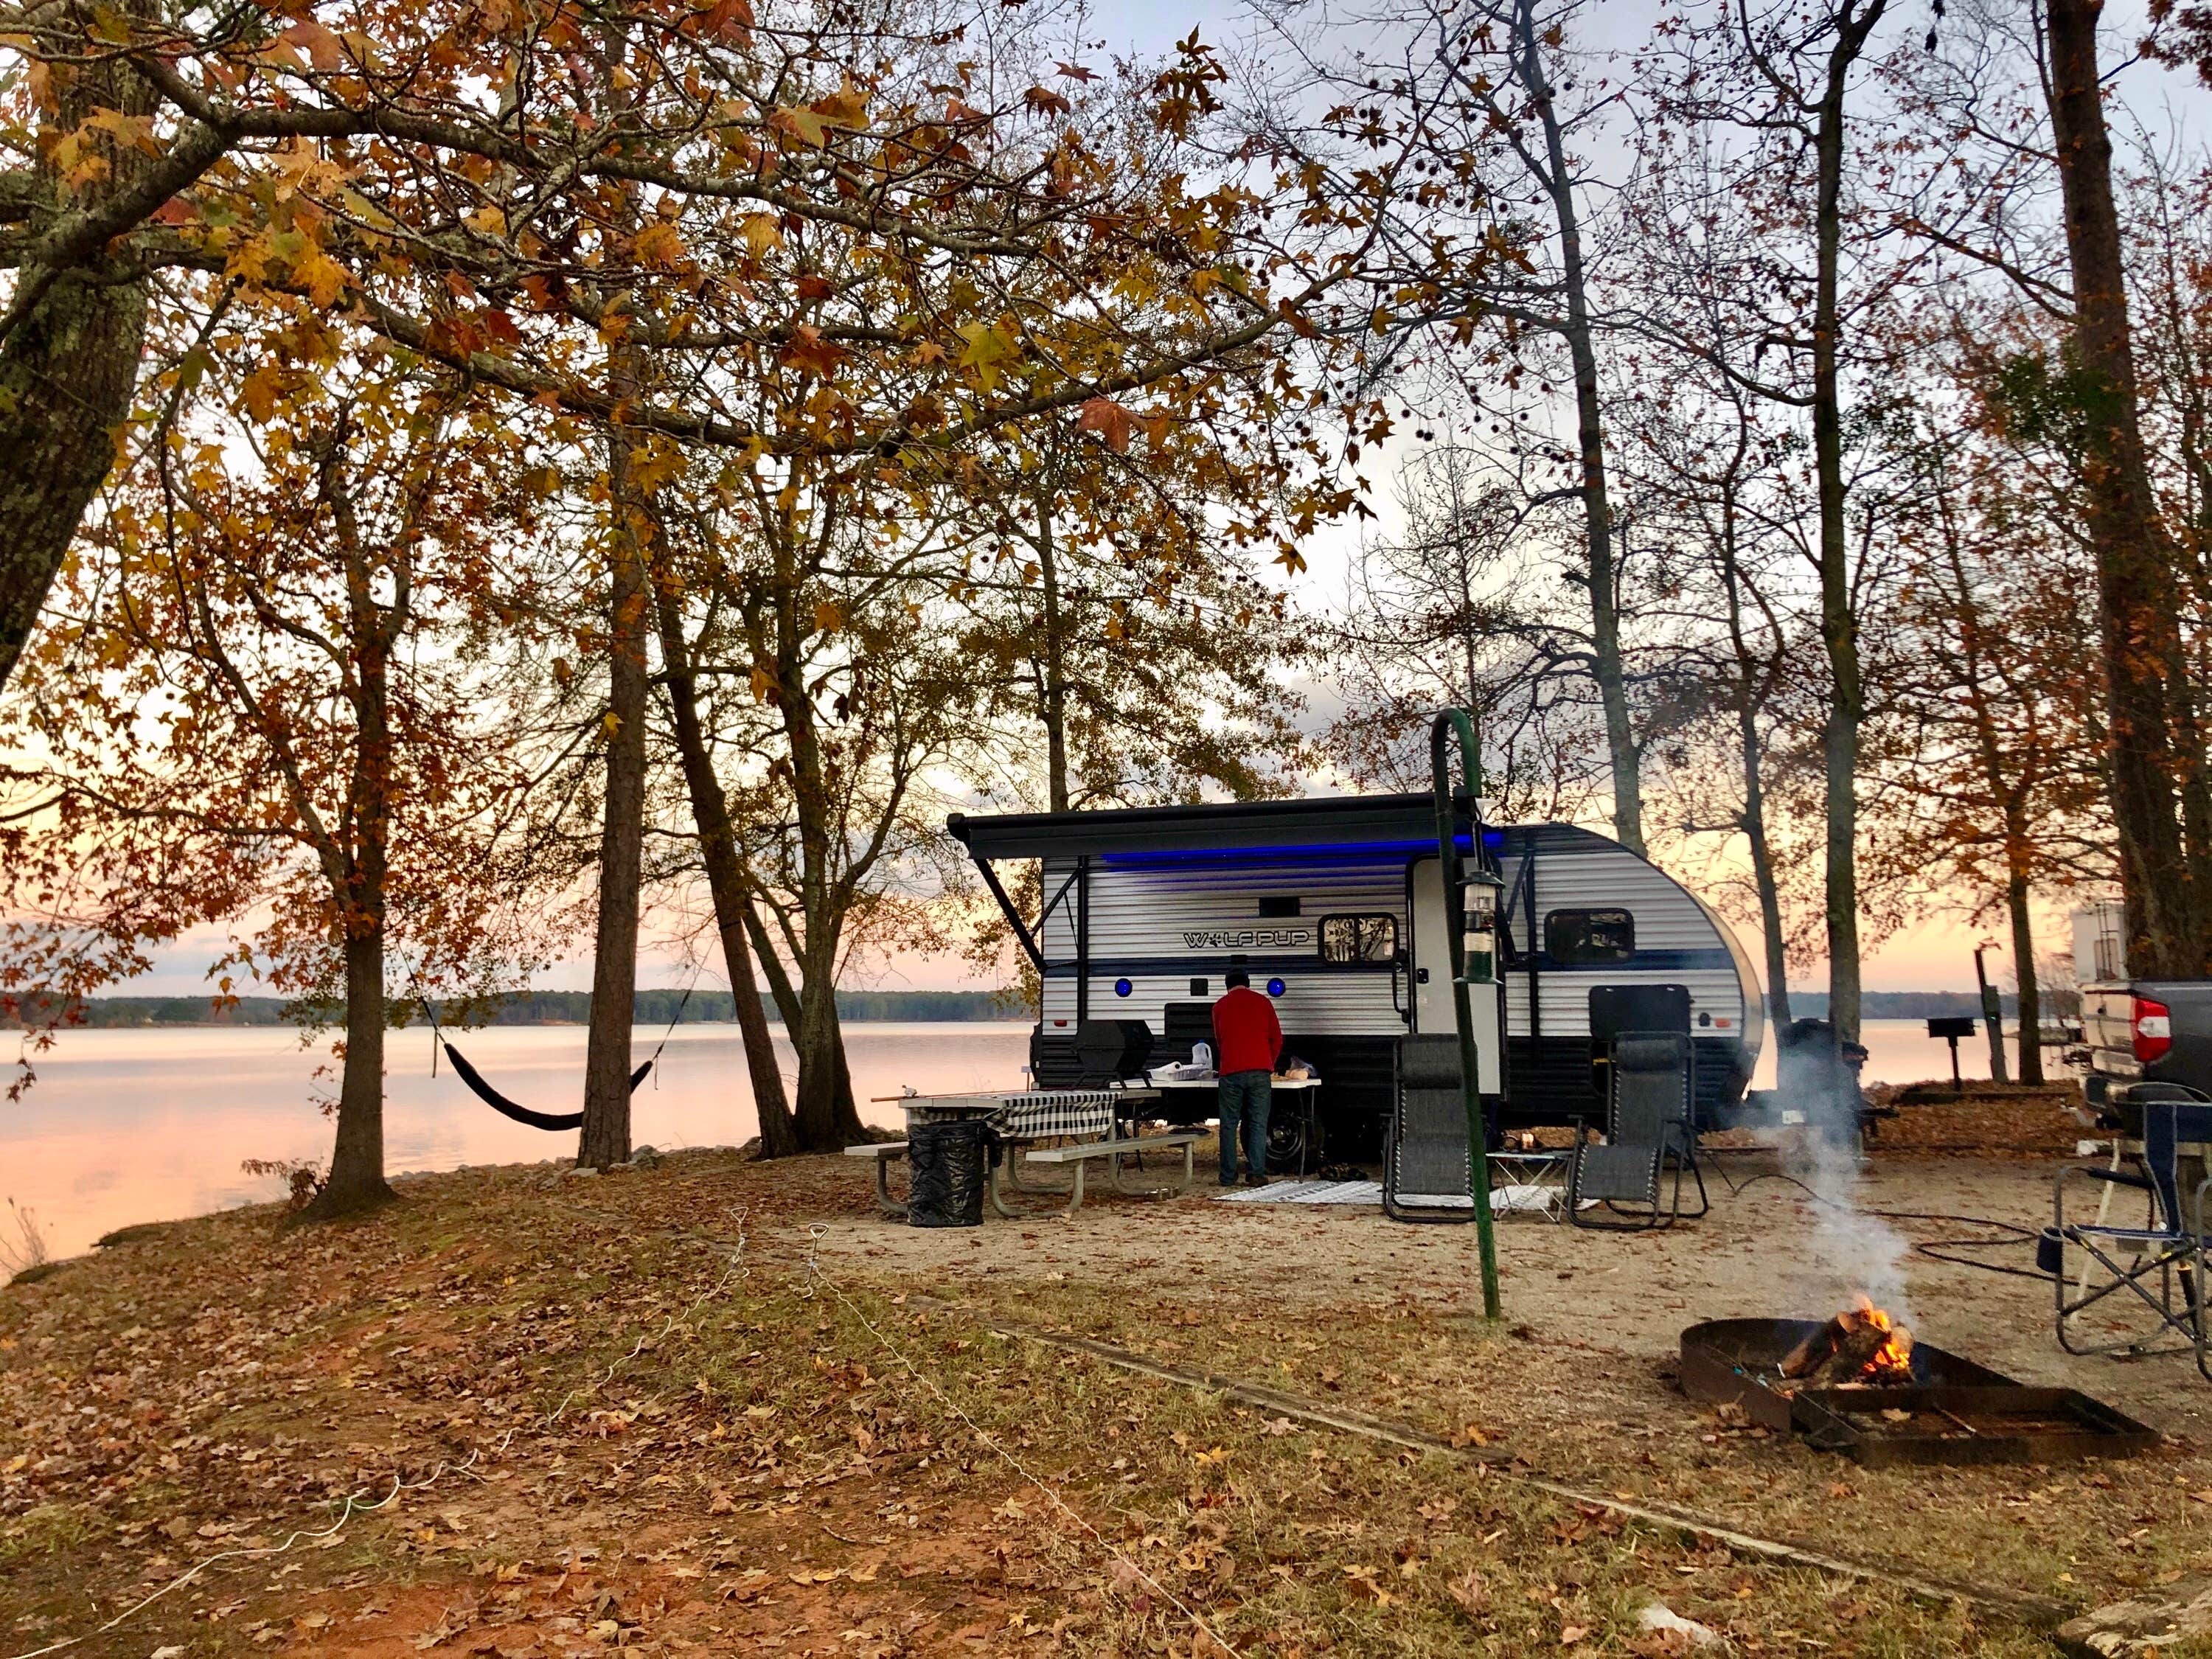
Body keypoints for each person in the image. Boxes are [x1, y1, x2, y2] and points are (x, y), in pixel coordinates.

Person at [1210, 968, 1282, 1187]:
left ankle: (1228, 1176)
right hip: (1260, 1071)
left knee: (1229, 1125)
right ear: (1248, 984)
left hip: (1231, 1072)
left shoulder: (1219, 1007)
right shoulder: (1264, 1003)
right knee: (1258, 1123)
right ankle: (1256, 1173)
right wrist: (1269, 1062)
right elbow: (1277, 1038)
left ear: (1227, 985)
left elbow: (1219, 1040)